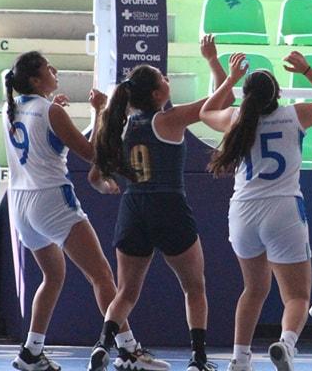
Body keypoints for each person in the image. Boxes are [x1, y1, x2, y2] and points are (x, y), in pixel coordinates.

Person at [3, 51, 168, 371]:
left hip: (20, 203)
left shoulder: (10, 108)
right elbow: (92, 153)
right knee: (101, 275)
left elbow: (41, 139)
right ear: (36, 80)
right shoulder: (51, 111)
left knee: (53, 276)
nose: (54, 69)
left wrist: (61, 112)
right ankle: (128, 349)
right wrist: (100, 112)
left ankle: (31, 351)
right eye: (47, 68)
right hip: (51, 199)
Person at [87, 36, 228, 371]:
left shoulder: (119, 127)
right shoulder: (170, 119)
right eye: (163, 79)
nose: (167, 80)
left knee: (126, 292)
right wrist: (213, 61)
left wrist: (108, 186)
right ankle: (198, 359)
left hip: (133, 207)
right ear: (156, 94)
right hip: (169, 205)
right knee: (194, 287)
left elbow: (95, 177)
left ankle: (103, 345)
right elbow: (225, 98)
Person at [201, 52, 312, 371]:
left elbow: (206, 111)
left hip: (243, 211)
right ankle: (286, 344)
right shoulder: (295, 115)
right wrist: (307, 70)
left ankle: (240, 358)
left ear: (247, 95)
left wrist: (230, 79)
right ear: (276, 94)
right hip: (283, 208)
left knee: (253, 289)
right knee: (297, 296)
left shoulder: (235, 119)